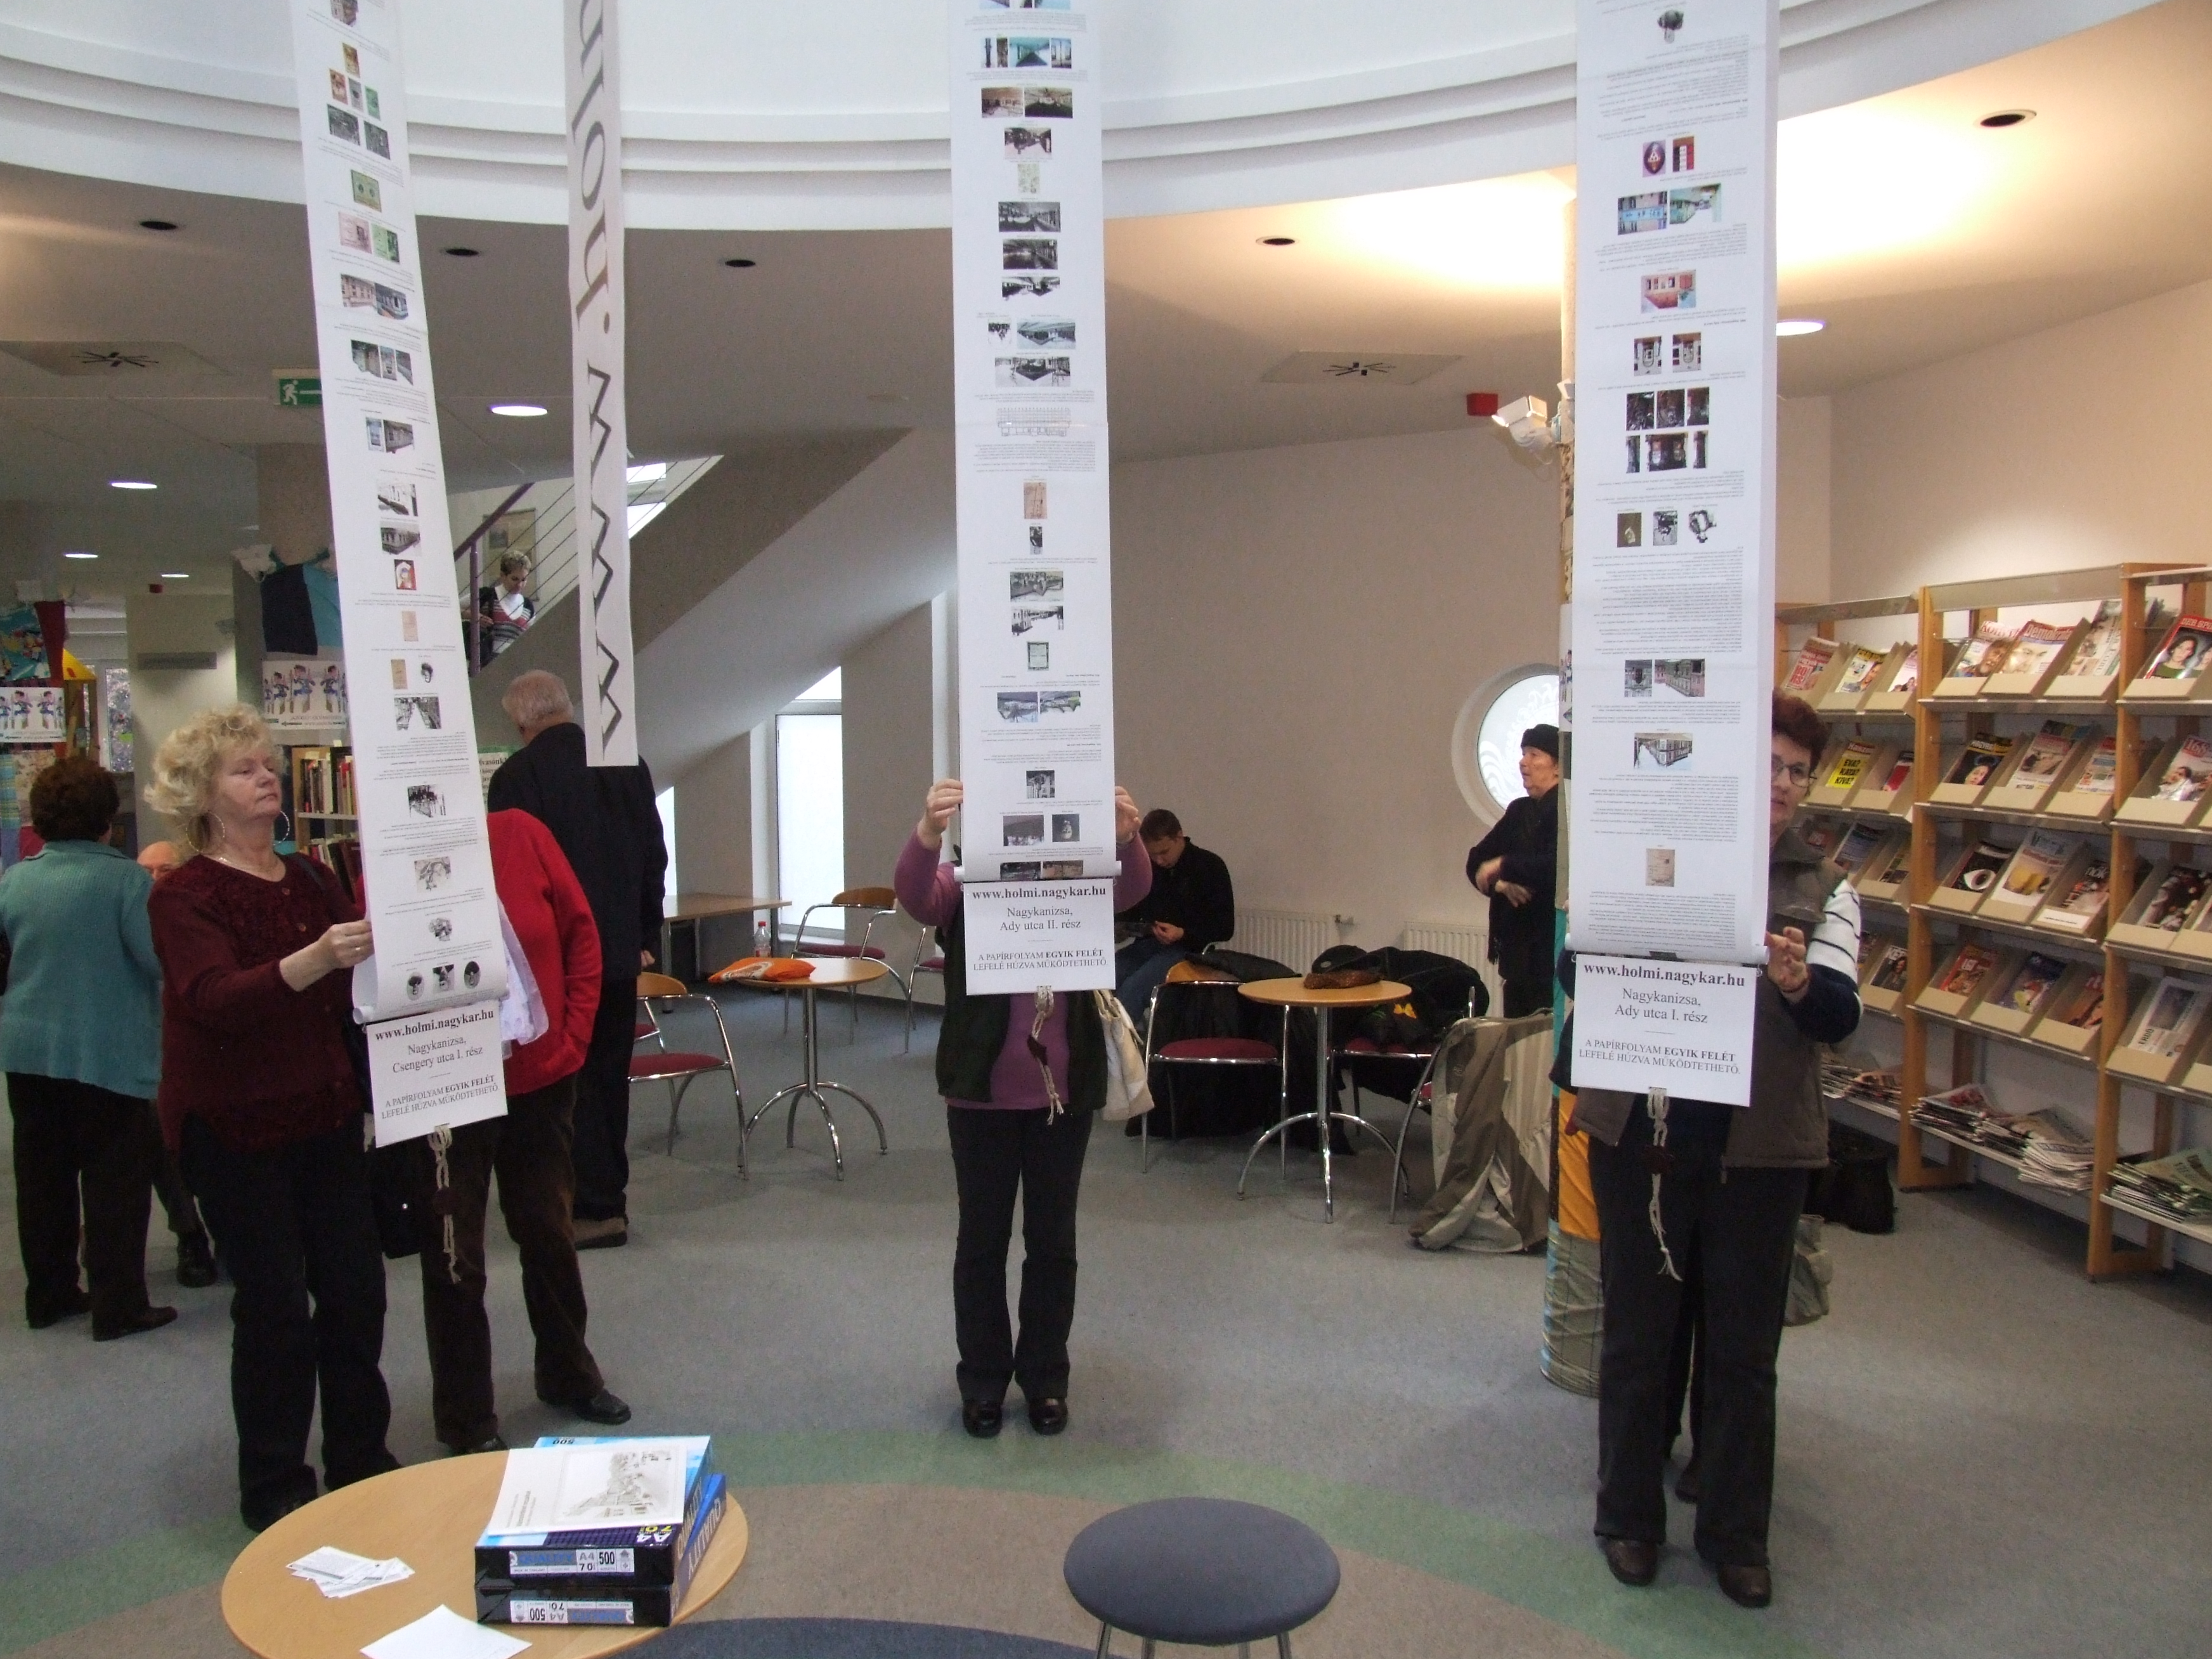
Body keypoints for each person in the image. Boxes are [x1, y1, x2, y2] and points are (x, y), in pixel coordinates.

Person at [1563, 691, 1859, 1608]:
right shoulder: (1648, 854)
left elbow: (1839, 1014)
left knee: (1741, 1349)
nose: (1782, 784)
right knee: (1638, 1336)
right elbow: (1576, 964)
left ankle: (1735, 1535)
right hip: (1641, 1127)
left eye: (1797, 771)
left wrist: (1798, 982)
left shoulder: (1824, 886)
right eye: (1767, 764)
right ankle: (1627, 1519)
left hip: (1760, 1145)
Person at [146, 705, 397, 1531]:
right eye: (244, 769)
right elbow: (213, 999)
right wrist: (314, 959)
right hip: (235, 1130)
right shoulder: (184, 895)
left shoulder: (312, 878)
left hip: (326, 1114)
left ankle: (361, 1455)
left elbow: (349, 995)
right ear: (202, 793)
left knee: (357, 1293)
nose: (267, 778)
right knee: (275, 1309)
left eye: (268, 765)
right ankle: (275, 1478)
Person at [895, 777, 1148, 1439]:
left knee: (1053, 1243)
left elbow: (1131, 890)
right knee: (981, 1243)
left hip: (1063, 1095)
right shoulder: (964, 881)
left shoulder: (1078, 875)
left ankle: (1045, 1380)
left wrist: (1126, 837)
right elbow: (916, 897)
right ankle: (982, 1381)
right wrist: (928, 832)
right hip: (980, 1094)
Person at [414, 808, 630, 1452]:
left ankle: (568, 1373)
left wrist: (573, 1039)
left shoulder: (521, 833)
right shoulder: (399, 851)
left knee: (548, 1230)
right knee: (456, 1255)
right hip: (449, 1084)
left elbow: (581, 937)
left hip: (540, 1077)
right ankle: (466, 1420)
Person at [486, 670, 668, 1249]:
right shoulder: (627, 763)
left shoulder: (517, 777)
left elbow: (509, 881)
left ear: (522, 724)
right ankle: (606, 1201)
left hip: (553, 960)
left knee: (557, 1085)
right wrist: (645, 932)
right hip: (617, 951)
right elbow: (653, 855)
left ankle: (560, 1201)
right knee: (609, 1080)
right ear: (566, 708)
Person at [0, 755, 176, 1338]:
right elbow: (155, 961)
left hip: (26, 1051)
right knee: (114, 1183)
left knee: (41, 1179)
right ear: (108, 819)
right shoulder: (126, 882)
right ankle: (117, 1305)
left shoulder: (16, 879)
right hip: (106, 1050)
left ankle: (49, 1295)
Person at [1465, 724, 1561, 1018]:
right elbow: (1476, 860)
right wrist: (1501, 885)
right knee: (1516, 1034)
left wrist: (1503, 866)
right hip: (1517, 955)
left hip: (1549, 951)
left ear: (1558, 767)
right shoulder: (1519, 810)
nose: (1523, 762)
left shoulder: (1565, 810)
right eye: (1523, 753)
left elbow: (1554, 866)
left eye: (1534, 755)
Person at [1113, 809, 1233, 1016]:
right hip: (1149, 944)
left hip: (1190, 950)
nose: (1159, 860)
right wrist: (1126, 927)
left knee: (1134, 989)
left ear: (1179, 837)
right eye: (1152, 855)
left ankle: (1120, 1036)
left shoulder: (1210, 866)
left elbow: (1225, 927)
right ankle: (1103, 1033)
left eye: (1164, 852)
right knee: (1105, 979)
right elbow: (1133, 910)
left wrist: (1183, 934)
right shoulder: (1149, 869)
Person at [471, 553, 535, 665]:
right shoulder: (486, 595)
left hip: (515, 665)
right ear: (502, 576)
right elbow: (455, 609)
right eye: (515, 579)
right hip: (486, 665)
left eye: (524, 580)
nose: (520, 585)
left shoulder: (528, 607)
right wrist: (475, 617)